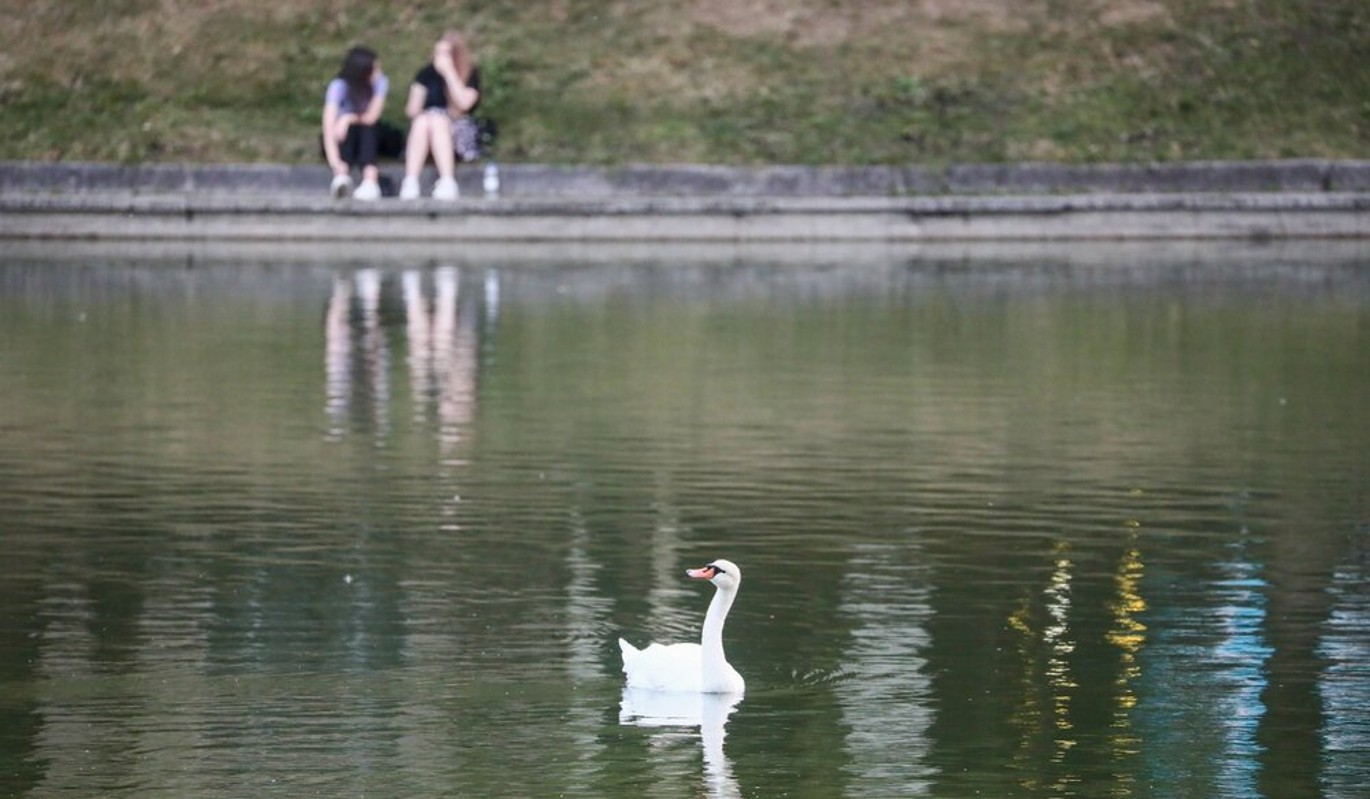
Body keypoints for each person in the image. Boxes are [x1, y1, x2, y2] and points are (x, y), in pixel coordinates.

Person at [399, 31, 482, 201]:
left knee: (438, 121)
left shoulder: (468, 73)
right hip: (426, 129)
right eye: (437, 53)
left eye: (445, 53)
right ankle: (411, 181)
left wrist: (449, 74)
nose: (439, 57)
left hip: (458, 129)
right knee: (423, 121)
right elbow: (412, 110)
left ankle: (447, 181)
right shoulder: (426, 73)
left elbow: (465, 104)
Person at [322, 46, 389, 201]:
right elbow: (328, 126)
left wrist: (347, 118)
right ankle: (341, 177)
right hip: (345, 137)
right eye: (374, 69)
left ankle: (370, 179)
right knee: (348, 130)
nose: (378, 73)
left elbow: (372, 116)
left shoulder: (380, 83)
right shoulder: (338, 87)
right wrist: (335, 161)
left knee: (367, 128)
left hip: (371, 134)